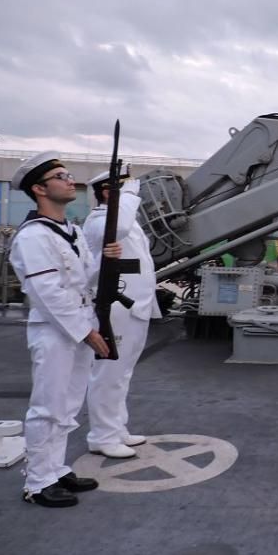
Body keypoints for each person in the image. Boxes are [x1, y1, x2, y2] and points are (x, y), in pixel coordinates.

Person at [9, 151, 120, 507]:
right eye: (61, 176)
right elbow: (48, 293)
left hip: (79, 325)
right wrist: (87, 332)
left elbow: (82, 279)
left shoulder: (69, 230)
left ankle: (56, 469)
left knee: (69, 405)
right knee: (48, 405)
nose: (70, 180)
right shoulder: (33, 236)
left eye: (69, 174)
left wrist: (107, 258)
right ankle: (38, 482)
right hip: (56, 330)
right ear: (40, 189)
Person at [83, 169, 162, 459]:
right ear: (108, 192)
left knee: (122, 374)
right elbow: (119, 229)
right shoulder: (99, 221)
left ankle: (117, 429)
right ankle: (101, 436)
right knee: (108, 373)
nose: (134, 193)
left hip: (133, 304)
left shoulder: (120, 219)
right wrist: (127, 195)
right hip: (114, 305)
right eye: (125, 187)